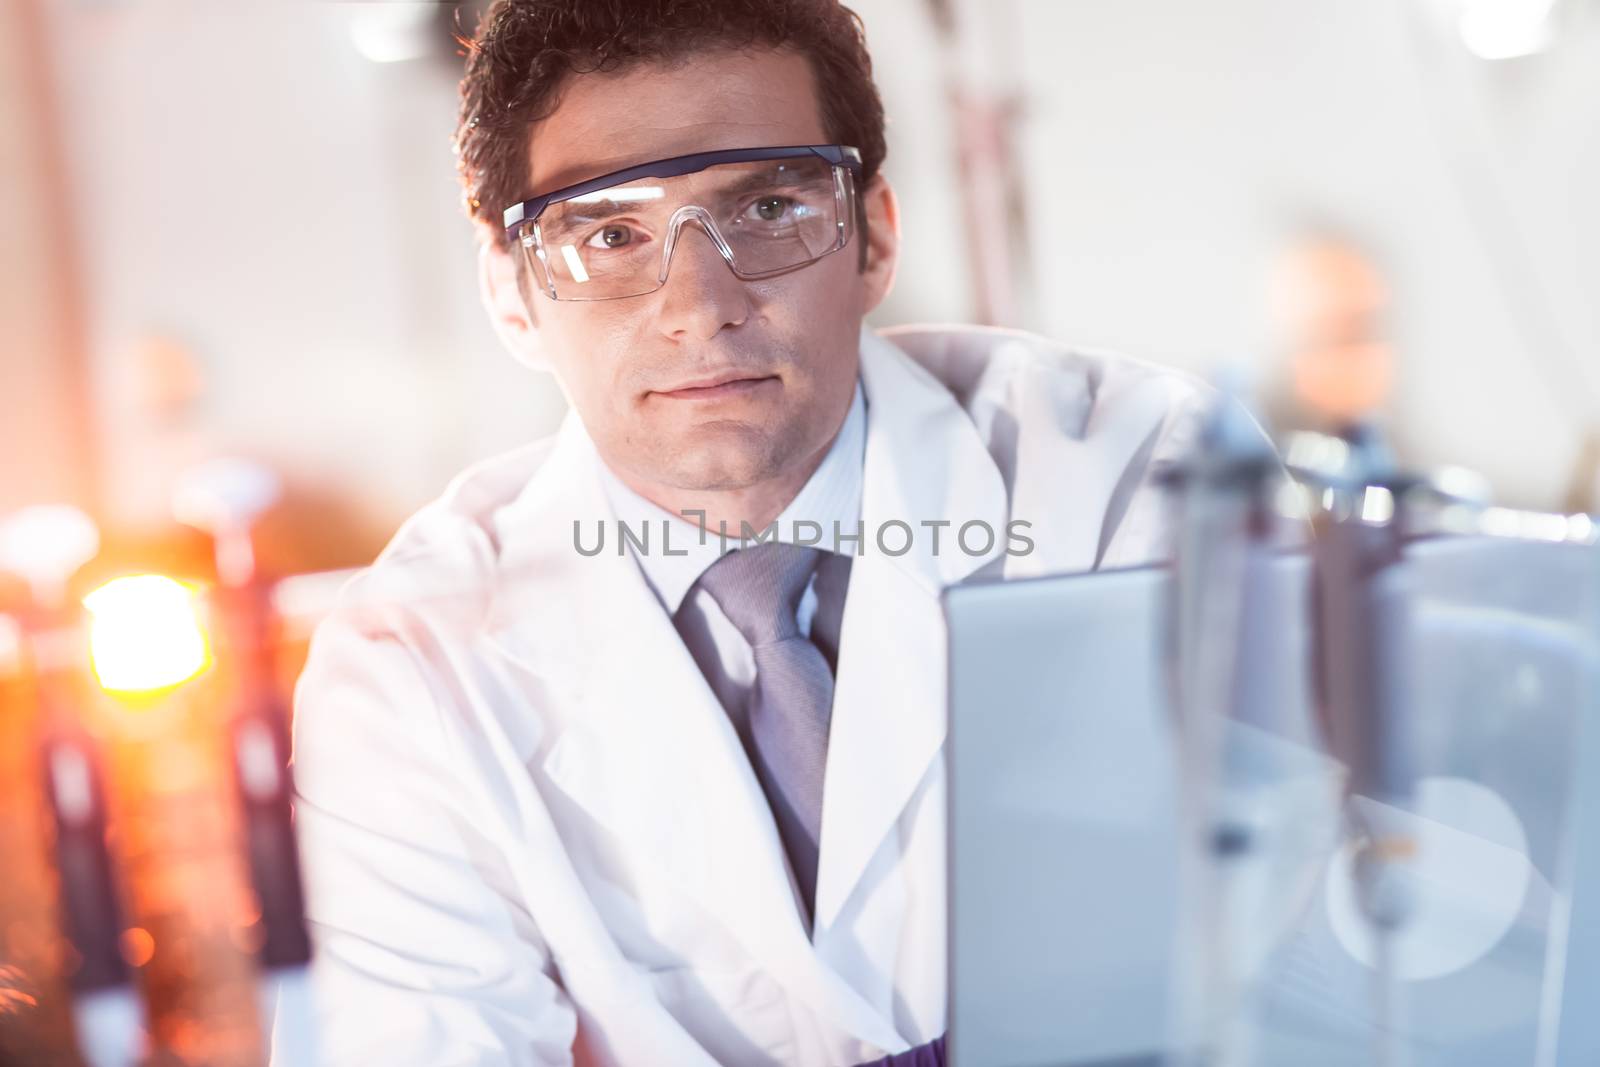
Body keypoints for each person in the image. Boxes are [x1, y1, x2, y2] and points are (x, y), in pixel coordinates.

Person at [278, 1, 1211, 1064]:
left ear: (875, 236)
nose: (699, 303)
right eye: (611, 233)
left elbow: (1261, 970)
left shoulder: (1131, 473)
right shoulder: (410, 666)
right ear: (511, 293)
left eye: (768, 205)